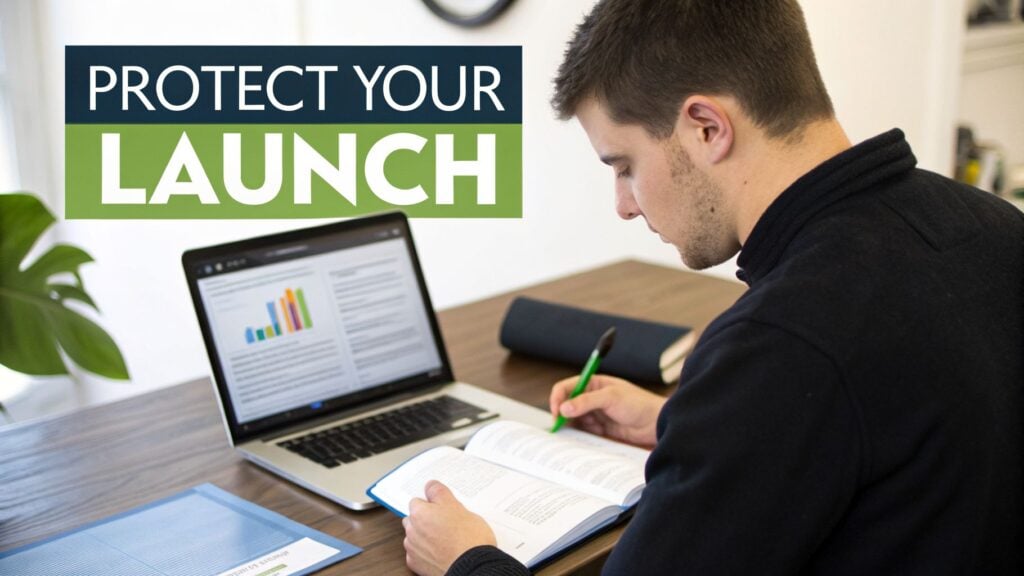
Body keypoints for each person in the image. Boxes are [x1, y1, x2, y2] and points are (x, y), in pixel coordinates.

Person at [401, 0, 1024, 574]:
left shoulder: (782, 342)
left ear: (705, 126)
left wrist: (467, 559)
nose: (623, 205)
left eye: (624, 166)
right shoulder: (994, 225)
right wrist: (694, 422)